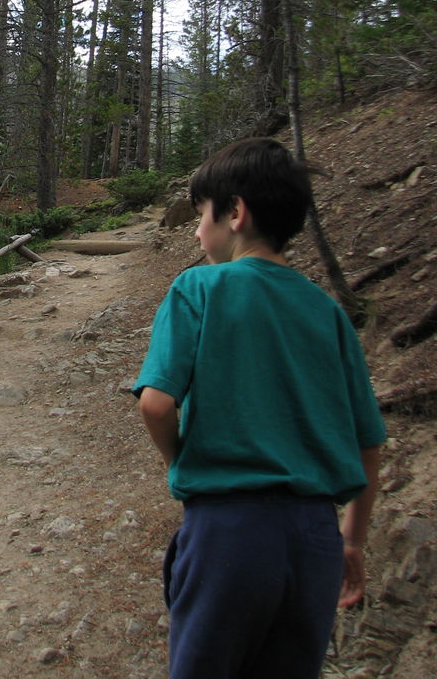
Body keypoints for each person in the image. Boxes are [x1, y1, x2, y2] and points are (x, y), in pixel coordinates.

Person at [133, 137, 386, 679]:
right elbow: (368, 442)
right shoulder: (327, 311)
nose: (198, 231)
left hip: (229, 532)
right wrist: (353, 540)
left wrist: (178, 460)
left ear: (235, 213)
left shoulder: (199, 288)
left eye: (202, 214)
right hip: (317, 540)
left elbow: (156, 404)